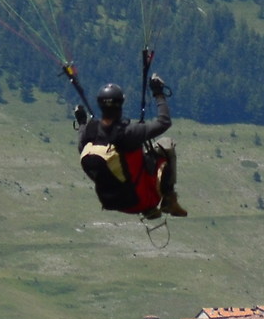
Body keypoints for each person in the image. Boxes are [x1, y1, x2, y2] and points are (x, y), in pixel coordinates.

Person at [75, 77, 186, 218]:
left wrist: (82, 122)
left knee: (128, 164)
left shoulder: (90, 131)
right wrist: (158, 93)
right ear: (121, 103)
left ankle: (150, 208)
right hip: (140, 200)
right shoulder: (129, 132)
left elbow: (81, 146)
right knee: (166, 144)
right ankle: (169, 200)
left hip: (113, 203)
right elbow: (164, 122)